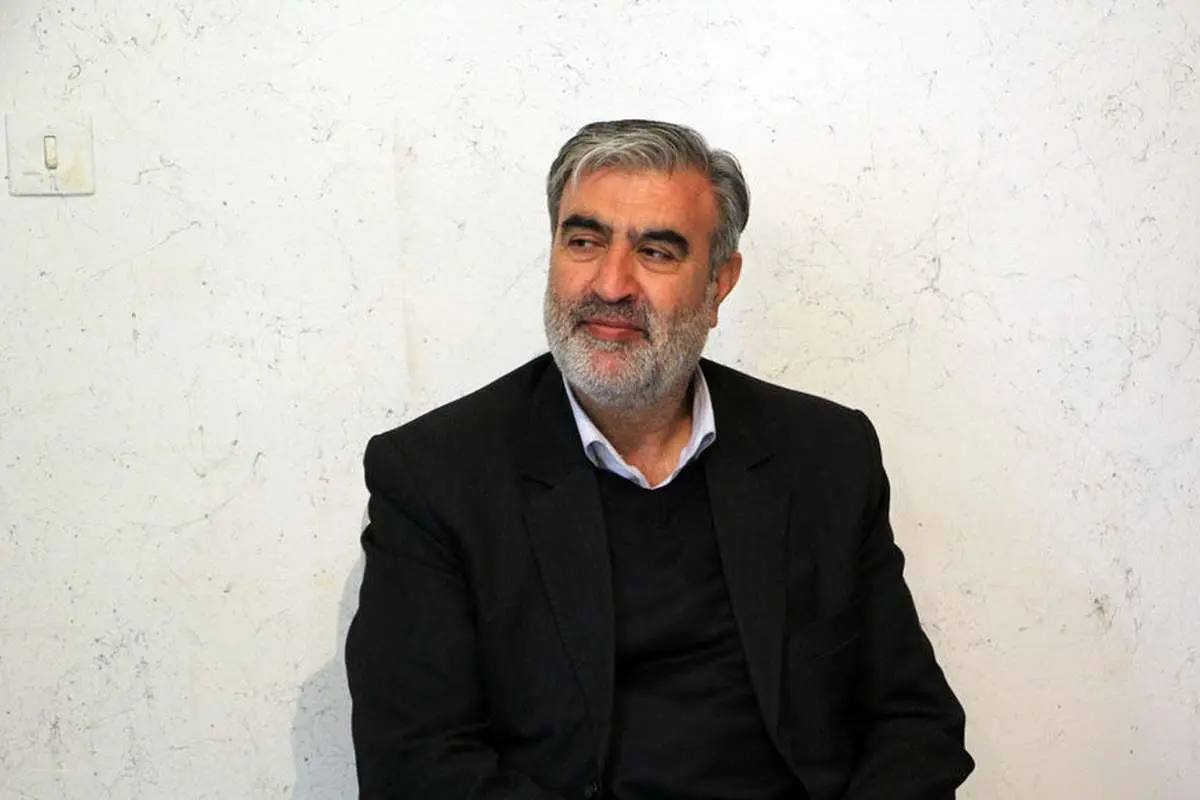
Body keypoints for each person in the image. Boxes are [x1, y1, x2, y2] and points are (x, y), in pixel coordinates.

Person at [346, 119, 974, 800]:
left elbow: (914, 724)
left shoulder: (825, 454)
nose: (611, 283)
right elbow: (416, 765)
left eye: (656, 251)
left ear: (719, 283)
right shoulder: (436, 476)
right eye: (584, 241)